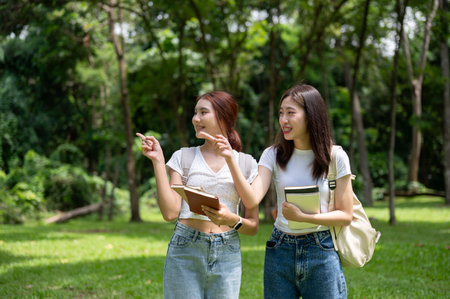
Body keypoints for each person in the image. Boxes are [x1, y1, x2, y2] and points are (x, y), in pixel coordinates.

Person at [136, 91, 260, 299]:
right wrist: (158, 161)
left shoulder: (247, 163)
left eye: (203, 112)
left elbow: (253, 227)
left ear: (224, 117)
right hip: (185, 247)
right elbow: (169, 213)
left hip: (227, 250)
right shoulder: (183, 157)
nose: (195, 119)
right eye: (195, 113)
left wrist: (230, 218)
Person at [255, 84, 354, 299]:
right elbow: (253, 196)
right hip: (279, 248)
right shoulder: (272, 155)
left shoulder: (335, 157)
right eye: (281, 113)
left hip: (320, 248)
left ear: (311, 115)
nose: (283, 120)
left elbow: (346, 215)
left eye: (291, 113)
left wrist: (304, 217)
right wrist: (230, 161)